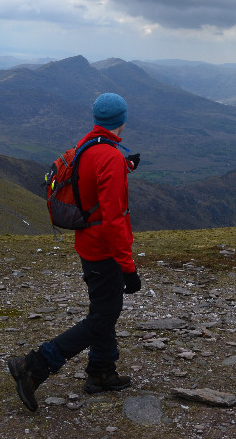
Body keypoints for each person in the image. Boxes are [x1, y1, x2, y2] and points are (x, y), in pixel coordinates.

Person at [8, 92, 141, 412]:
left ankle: (101, 372)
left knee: (104, 312)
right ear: (122, 120)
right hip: (103, 250)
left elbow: (91, 184)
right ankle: (36, 365)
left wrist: (126, 165)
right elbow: (113, 219)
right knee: (103, 317)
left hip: (88, 245)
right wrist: (128, 266)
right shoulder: (109, 156)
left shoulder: (88, 147)